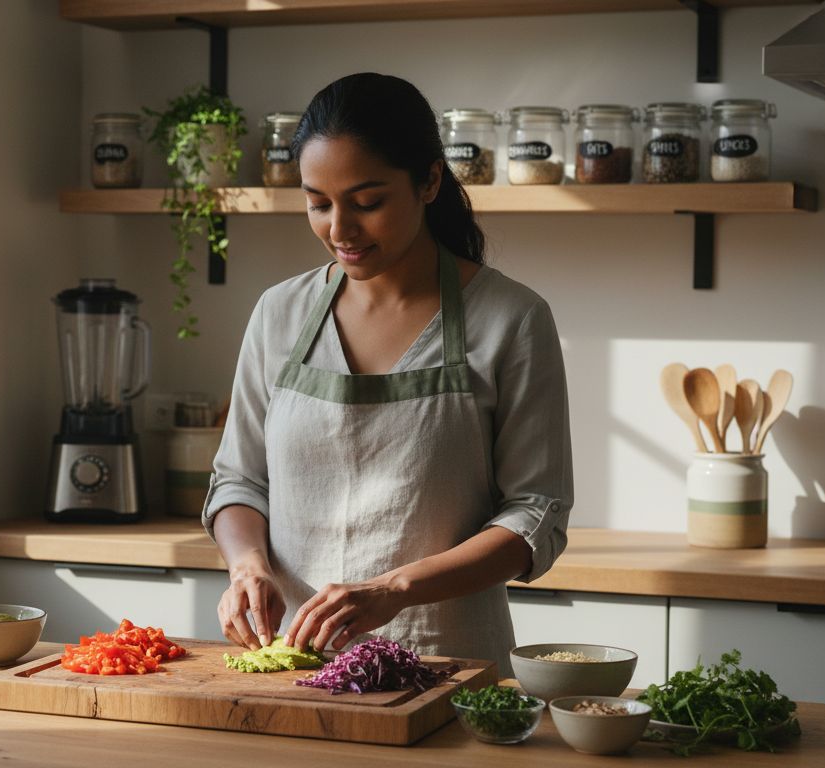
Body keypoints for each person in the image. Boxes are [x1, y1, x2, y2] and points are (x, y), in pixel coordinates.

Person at [202, 73, 573, 677]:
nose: (339, 230)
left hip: (449, 669)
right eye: (318, 203)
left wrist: (394, 589)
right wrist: (247, 565)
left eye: (367, 202)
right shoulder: (280, 313)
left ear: (428, 181)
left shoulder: (512, 319)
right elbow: (239, 479)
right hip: (291, 670)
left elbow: (534, 516)